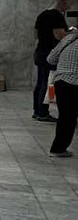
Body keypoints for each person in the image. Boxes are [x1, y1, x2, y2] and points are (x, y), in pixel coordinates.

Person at [46, 22, 78, 157]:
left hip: (61, 82)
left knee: (65, 117)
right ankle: (58, 150)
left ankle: (57, 149)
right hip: (75, 83)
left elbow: (50, 59)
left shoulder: (68, 39)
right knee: (69, 119)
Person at [33, 0, 67, 121]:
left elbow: (35, 34)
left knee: (40, 82)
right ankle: (43, 112)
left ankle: (37, 111)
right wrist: (72, 34)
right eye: (69, 4)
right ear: (62, 2)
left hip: (40, 51)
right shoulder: (56, 15)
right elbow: (59, 35)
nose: (69, 8)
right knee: (48, 83)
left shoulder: (42, 15)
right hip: (50, 54)